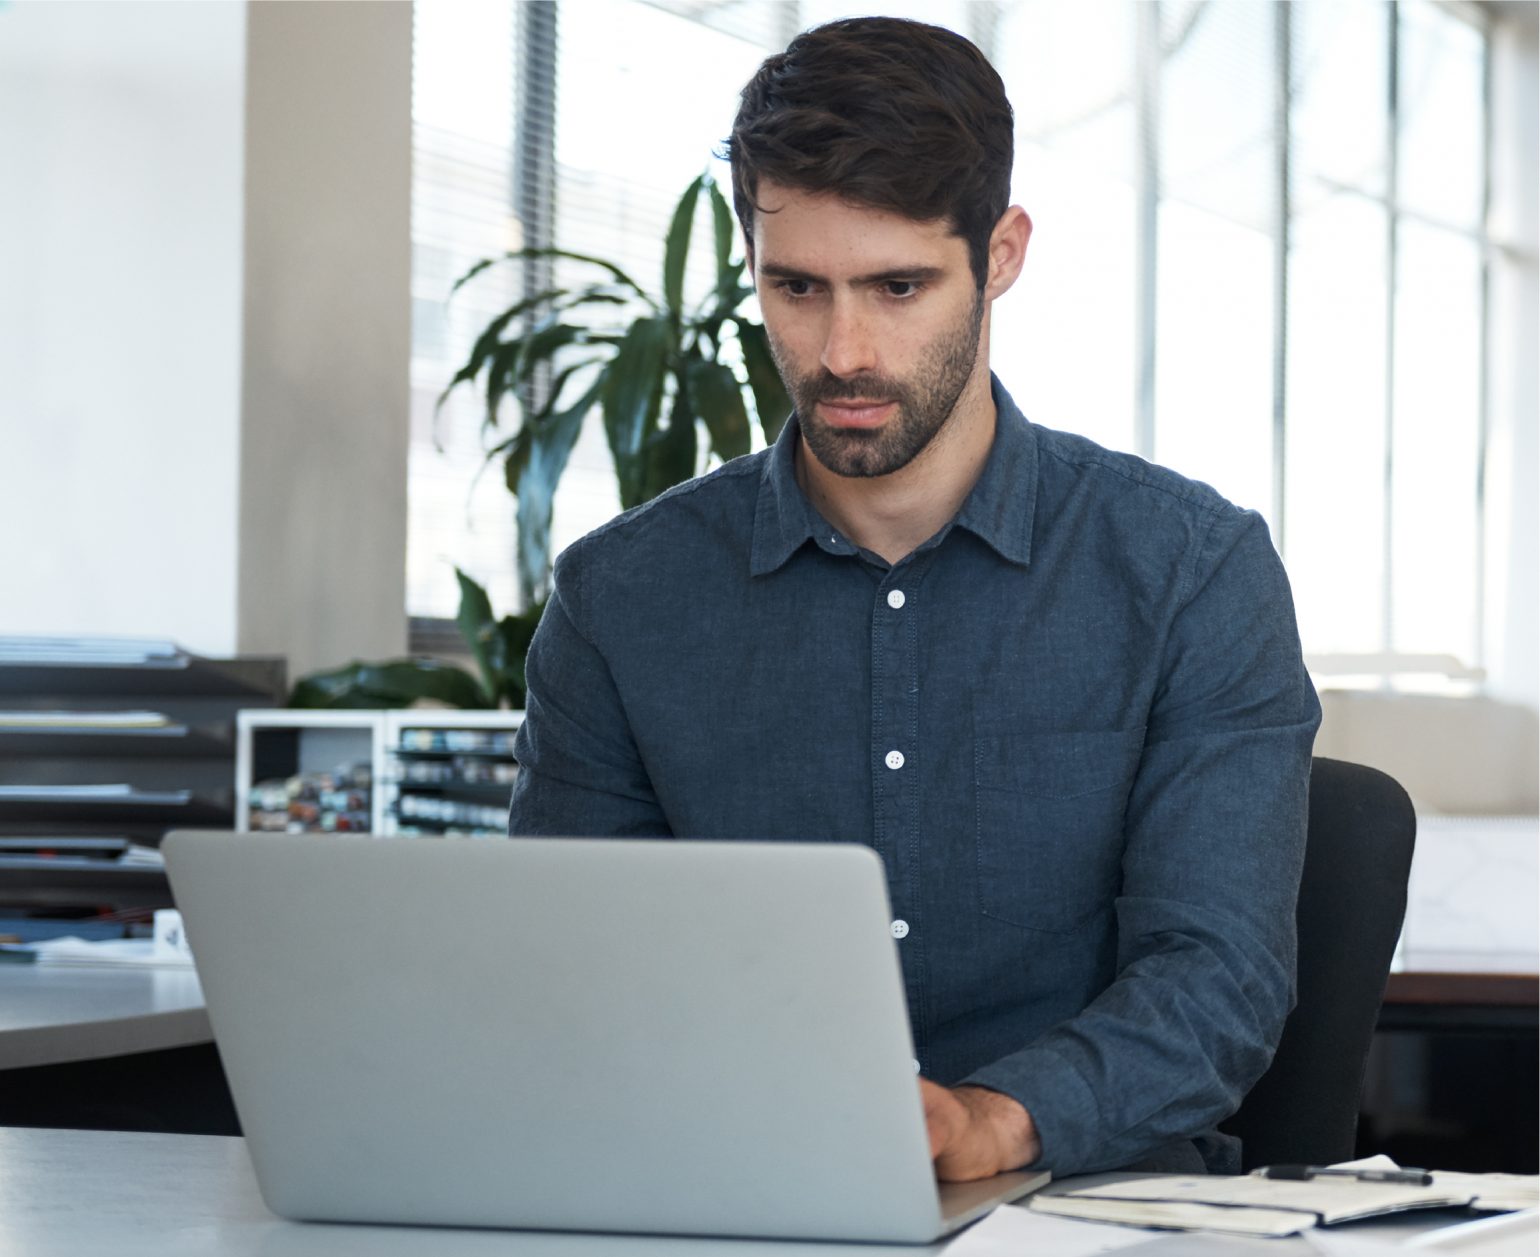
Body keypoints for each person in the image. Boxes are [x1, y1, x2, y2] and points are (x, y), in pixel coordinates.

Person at [508, 16, 1320, 1180]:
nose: (842, 351)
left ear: (1000, 254)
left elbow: (1216, 976)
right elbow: (563, 968)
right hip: (732, 1193)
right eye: (795, 287)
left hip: (1084, 1204)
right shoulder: (620, 599)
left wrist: (991, 1121)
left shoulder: (1190, 572)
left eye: (897, 287)